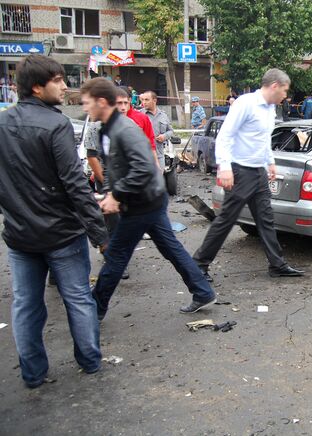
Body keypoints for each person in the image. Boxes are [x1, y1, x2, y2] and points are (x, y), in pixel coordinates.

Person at [0, 55, 109, 388]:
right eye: (59, 80)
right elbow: (75, 183)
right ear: (37, 86)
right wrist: (99, 234)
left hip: (20, 236)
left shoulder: (3, 123)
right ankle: (90, 361)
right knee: (77, 298)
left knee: (26, 305)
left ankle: (33, 374)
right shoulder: (56, 124)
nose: (65, 86)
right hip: (62, 234)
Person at [80, 78, 216, 320]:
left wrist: (117, 195)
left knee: (116, 255)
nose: (84, 108)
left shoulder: (126, 129)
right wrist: (110, 192)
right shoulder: (105, 130)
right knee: (171, 249)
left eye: (87, 102)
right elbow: (112, 166)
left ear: (101, 102)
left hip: (142, 201)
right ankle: (203, 291)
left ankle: (95, 307)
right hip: (146, 200)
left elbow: (143, 169)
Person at [193, 68, 304, 281]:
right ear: (274, 86)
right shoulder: (245, 104)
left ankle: (277, 265)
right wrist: (224, 167)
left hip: (259, 172)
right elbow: (225, 135)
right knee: (226, 219)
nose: (285, 95)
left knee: (266, 219)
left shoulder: (271, 109)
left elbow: (262, 140)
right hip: (240, 171)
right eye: (284, 90)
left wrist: (270, 163)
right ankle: (199, 264)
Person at [140, 90, 174, 169]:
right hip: (143, 155)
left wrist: (164, 136)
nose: (144, 102)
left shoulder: (163, 115)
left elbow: (171, 131)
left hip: (159, 155)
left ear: (154, 100)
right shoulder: (140, 115)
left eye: (147, 100)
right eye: (143, 100)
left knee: (159, 179)